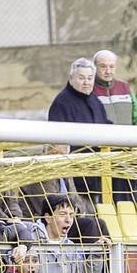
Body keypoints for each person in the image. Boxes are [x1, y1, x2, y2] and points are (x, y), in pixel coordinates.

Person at [47, 58, 112, 206]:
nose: (86, 82)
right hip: (75, 176)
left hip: (98, 171)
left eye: (90, 78)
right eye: (81, 78)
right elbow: (57, 143)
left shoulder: (95, 100)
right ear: (71, 79)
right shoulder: (61, 103)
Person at [92, 50, 137, 126]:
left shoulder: (124, 86)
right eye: (103, 66)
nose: (108, 71)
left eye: (111, 66)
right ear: (94, 67)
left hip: (127, 137)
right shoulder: (89, 89)